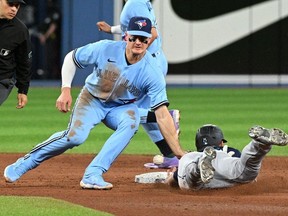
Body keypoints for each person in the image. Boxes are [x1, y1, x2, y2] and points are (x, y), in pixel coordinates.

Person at [4, 16, 186, 190]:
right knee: (75, 137)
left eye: (143, 39)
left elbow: (162, 114)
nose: (138, 42)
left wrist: (178, 153)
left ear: (149, 41)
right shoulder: (105, 49)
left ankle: (93, 174)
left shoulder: (152, 71)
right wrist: (65, 89)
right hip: (92, 100)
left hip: (122, 107)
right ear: (126, 36)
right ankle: (24, 164)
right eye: (134, 37)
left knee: (131, 122)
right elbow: (71, 58)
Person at [97, 0, 180, 169]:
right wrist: (111, 30)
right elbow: (134, 28)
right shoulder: (140, 2)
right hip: (154, 59)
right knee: (143, 112)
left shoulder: (134, 4)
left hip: (147, 64)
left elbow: (151, 33)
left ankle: (166, 117)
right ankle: (170, 156)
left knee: (123, 107)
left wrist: (138, 54)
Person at [165, 124, 288, 190]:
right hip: (223, 161)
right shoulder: (228, 151)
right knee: (245, 169)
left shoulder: (189, 156)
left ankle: (198, 168)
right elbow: (248, 178)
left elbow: (172, 182)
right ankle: (259, 145)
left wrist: (171, 177)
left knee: (190, 181)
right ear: (220, 142)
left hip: (194, 160)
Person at [0, 0, 32, 108]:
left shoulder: (20, 30)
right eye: (10, 4)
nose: (14, 9)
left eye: (17, 6)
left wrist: (23, 89)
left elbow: (24, 61)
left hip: (2, 79)